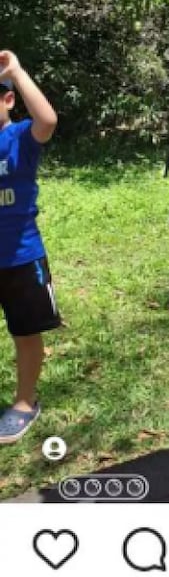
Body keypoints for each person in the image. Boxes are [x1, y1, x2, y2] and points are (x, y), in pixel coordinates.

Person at [0, 50, 60, 444]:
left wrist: (16, 72)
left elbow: (48, 120)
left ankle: (25, 401)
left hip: (21, 257)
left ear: (7, 99)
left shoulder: (19, 137)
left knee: (25, 333)